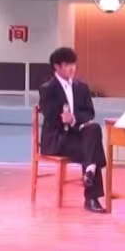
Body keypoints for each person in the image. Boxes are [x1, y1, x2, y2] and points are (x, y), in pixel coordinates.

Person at [36, 47, 107, 213]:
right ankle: (91, 194)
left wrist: (74, 119)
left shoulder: (81, 87)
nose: (72, 68)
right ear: (57, 66)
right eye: (67, 65)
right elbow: (49, 115)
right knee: (91, 149)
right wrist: (63, 118)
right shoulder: (48, 88)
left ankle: (89, 173)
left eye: (73, 64)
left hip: (75, 135)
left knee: (94, 129)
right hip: (57, 138)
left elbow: (89, 113)